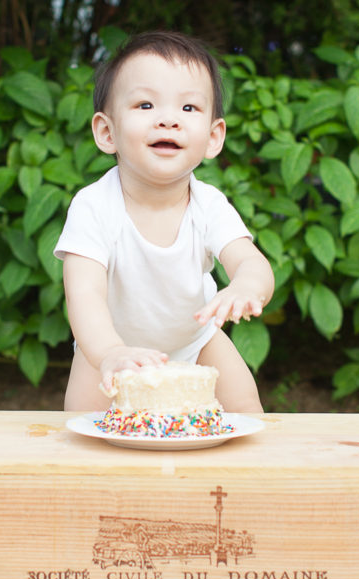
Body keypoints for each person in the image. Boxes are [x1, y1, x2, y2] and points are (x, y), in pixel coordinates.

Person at [54, 31, 274, 412]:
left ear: (213, 137)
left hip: (196, 342)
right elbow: (83, 294)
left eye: (188, 108)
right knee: (83, 428)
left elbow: (251, 261)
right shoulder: (93, 206)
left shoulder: (209, 205)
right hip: (111, 347)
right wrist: (109, 352)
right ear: (107, 132)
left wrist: (246, 286)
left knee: (247, 411)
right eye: (145, 104)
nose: (169, 120)